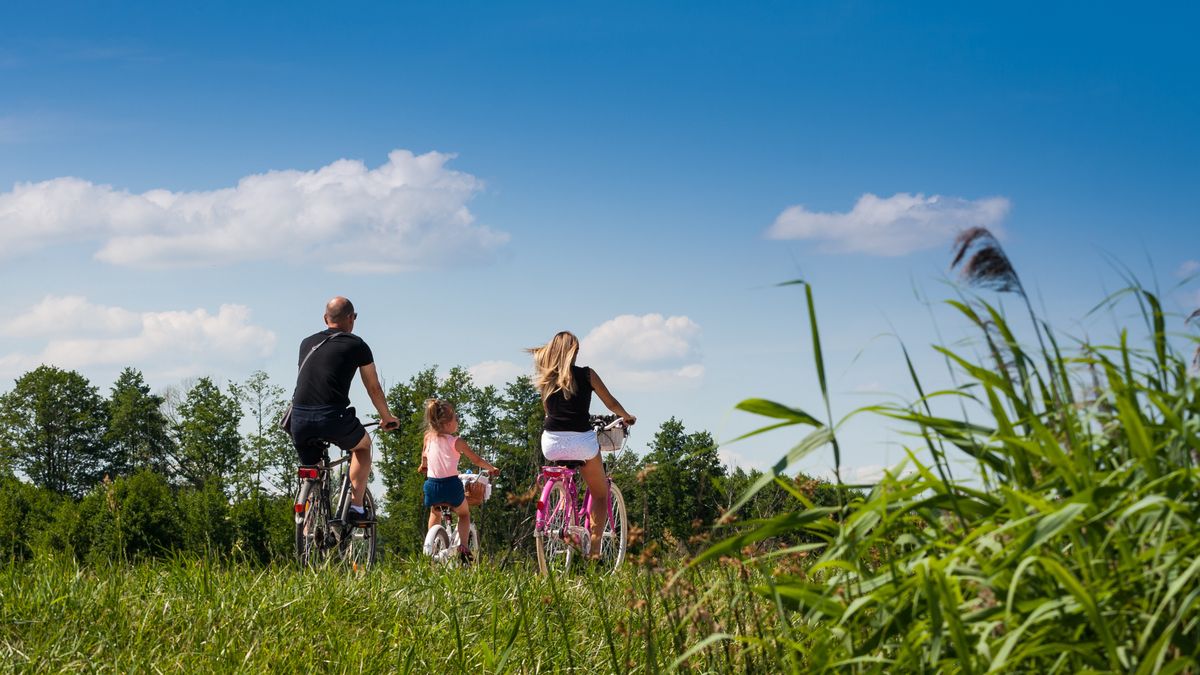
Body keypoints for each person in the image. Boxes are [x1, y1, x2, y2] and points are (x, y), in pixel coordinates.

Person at [288, 296, 399, 524]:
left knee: (313, 469)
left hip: (298, 419)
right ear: (351, 318)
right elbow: (373, 387)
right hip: (331, 416)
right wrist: (386, 417)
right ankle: (357, 508)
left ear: (325, 318)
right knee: (363, 446)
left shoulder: (306, 342)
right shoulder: (357, 344)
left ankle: (308, 529)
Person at [528, 331, 635, 560]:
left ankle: (567, 512)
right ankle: (594, 553)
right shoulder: (587, 374)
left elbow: (548, 411)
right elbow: (611, 402)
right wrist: (626, 416)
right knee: (599, 494)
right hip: (582, 442)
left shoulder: (546, 378)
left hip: (551, 442)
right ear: (574, 352)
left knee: (567, 475)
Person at [417, 398, 498, 562]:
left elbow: (424, 457)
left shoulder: (428, 438)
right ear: (447, 424)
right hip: (451, 485)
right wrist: (491, 468)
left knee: (435, 511)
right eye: (456, 419)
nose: (458, 422)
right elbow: (476, 460)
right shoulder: (457, 442)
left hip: (432, 485)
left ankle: (431, 546)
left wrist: (423, 466)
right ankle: (464, 548)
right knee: (464, 515)